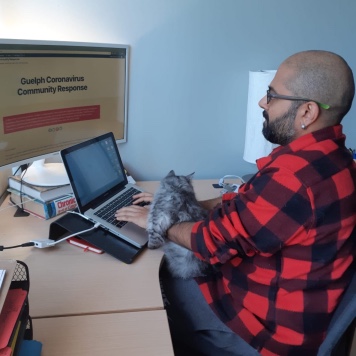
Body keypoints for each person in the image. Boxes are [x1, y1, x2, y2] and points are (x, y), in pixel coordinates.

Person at [115, 50, 356, 355]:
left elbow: (209, 241)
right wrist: (177, 201)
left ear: (307, 113)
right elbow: (245, 201)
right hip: (285, 307)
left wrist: (155, 220)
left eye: (271, 95)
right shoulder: (332, 157)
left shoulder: (295, 180)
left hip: (264, 330)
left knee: (147, 293)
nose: (262, 103)